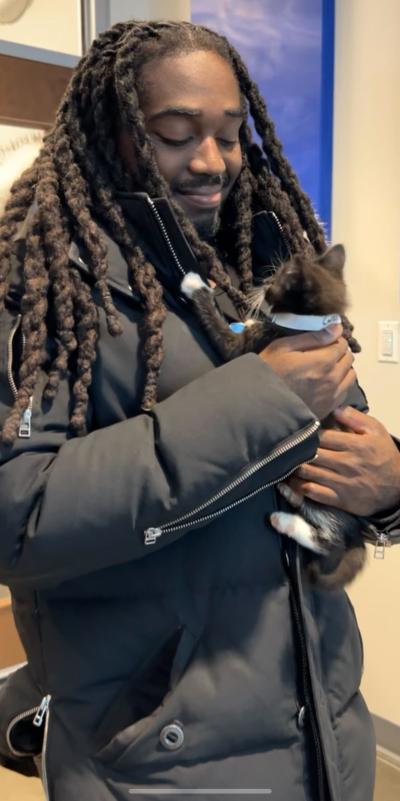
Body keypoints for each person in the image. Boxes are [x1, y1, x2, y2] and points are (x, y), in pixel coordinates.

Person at [0, 19, 399, 801]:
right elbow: (19, 522)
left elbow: (341, 432)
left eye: (231, 133)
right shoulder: (46, 292)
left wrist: (389, 482)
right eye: (177, 133)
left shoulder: (264, 261)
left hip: (325, 739)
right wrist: (262, 399)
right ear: (112, 130)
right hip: (158, 762)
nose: (212, 161)